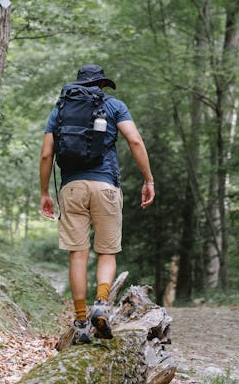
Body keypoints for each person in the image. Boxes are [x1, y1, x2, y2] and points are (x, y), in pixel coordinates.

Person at [39, 64, 155, 344]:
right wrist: (148, 179)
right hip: (106, 186)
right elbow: (135, 141)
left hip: (71, 188)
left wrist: (44, 193)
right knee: (107, 252)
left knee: (78, 254)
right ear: (101, 85)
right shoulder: (114, 106)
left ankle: (80, 322)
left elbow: (46, 155)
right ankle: (101, 305)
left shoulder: (61, 110)